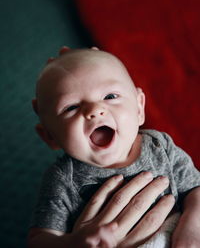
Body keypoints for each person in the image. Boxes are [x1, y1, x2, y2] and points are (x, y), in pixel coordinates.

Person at [28, 47, 200, 248]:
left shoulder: (159, 146)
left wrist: (193, 226)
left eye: (110, 96)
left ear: (139, 108)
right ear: (50, 136)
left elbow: (195, 189)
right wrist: (74, 242)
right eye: (71, 107)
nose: (95, 110)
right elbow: (39, 240)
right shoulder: (63, 178)